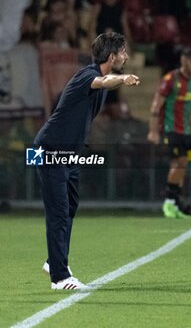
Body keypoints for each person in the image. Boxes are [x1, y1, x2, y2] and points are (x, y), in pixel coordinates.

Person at [34, 32, 140, 290]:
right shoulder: (88, 75)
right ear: (111, 56)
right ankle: (59, 277)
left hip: (69, 153)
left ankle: (54, 260)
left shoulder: (95, 76)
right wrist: (123, 79)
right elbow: (103, 82)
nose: (126, 56)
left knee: (70, 207)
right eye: (123, 52)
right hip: (50, 150)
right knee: (58, 212)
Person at [148, 47, 191, 219]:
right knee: (179, 162)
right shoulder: (171, 79)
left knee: (182, 165)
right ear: (184, 61)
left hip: (186, 132)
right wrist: (153, 131)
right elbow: (156, 105)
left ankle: (175, 202)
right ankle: (170, 202)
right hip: (171, 130)